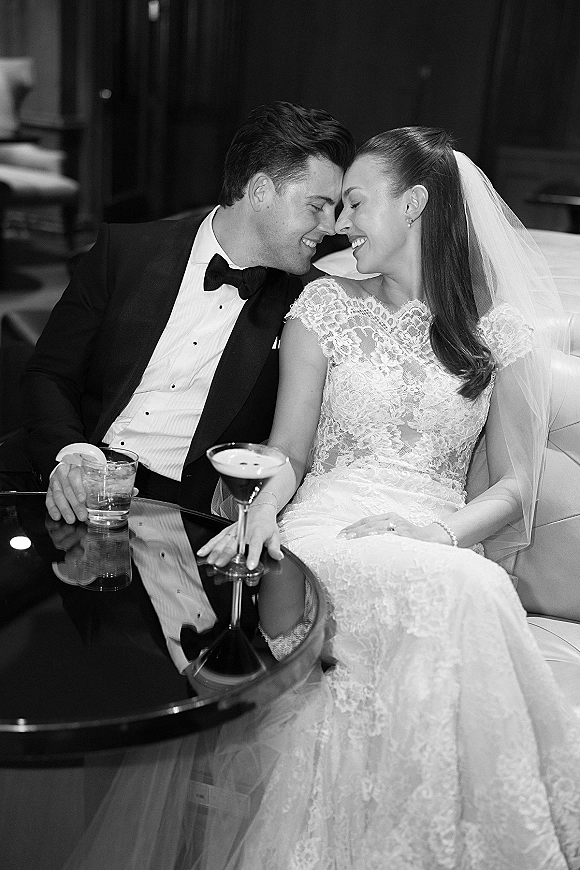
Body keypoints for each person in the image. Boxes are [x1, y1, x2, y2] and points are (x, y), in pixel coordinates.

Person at [192, 127, 580, 867]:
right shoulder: (322, 306)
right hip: (329, 525)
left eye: (357, 203)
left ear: (416, 204)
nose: (339, 224)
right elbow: (289, 451)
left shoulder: (495, 331)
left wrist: (442, 535)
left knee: (466, 583)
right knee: (459, 590)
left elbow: (515, 486)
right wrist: (262, 508)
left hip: (433, 531)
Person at [16, 101, 355, 522]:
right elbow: (49, 373)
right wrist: (68, 454)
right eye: (318, 205)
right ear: (261, 191)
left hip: (186, 511)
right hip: (75, 465)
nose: (331, 225)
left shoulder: (313, 303)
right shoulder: (124, 252)